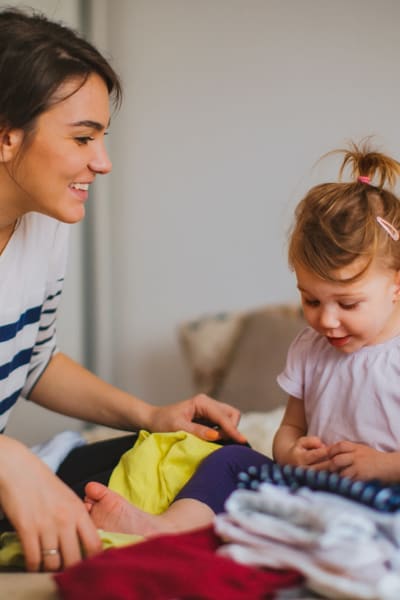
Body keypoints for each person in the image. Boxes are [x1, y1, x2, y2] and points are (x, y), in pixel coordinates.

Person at [0, 7, 246, 573]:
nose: (102, 163)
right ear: (8, 136)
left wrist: (152, 415)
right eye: (83, 138)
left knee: (221, 461)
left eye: (102, 138)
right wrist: (8, 462)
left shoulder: (45, 225)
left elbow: (33, 365)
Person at [84, 140, 400, 539]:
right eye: (311, 300)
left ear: (396, 285)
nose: (327, 320)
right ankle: (163, 529)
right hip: (314, 491)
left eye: (349, 304)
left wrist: (383, 466)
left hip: (385, 495)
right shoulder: (309, 347)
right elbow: (290, 427)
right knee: (229, 459)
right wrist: (292, 454)